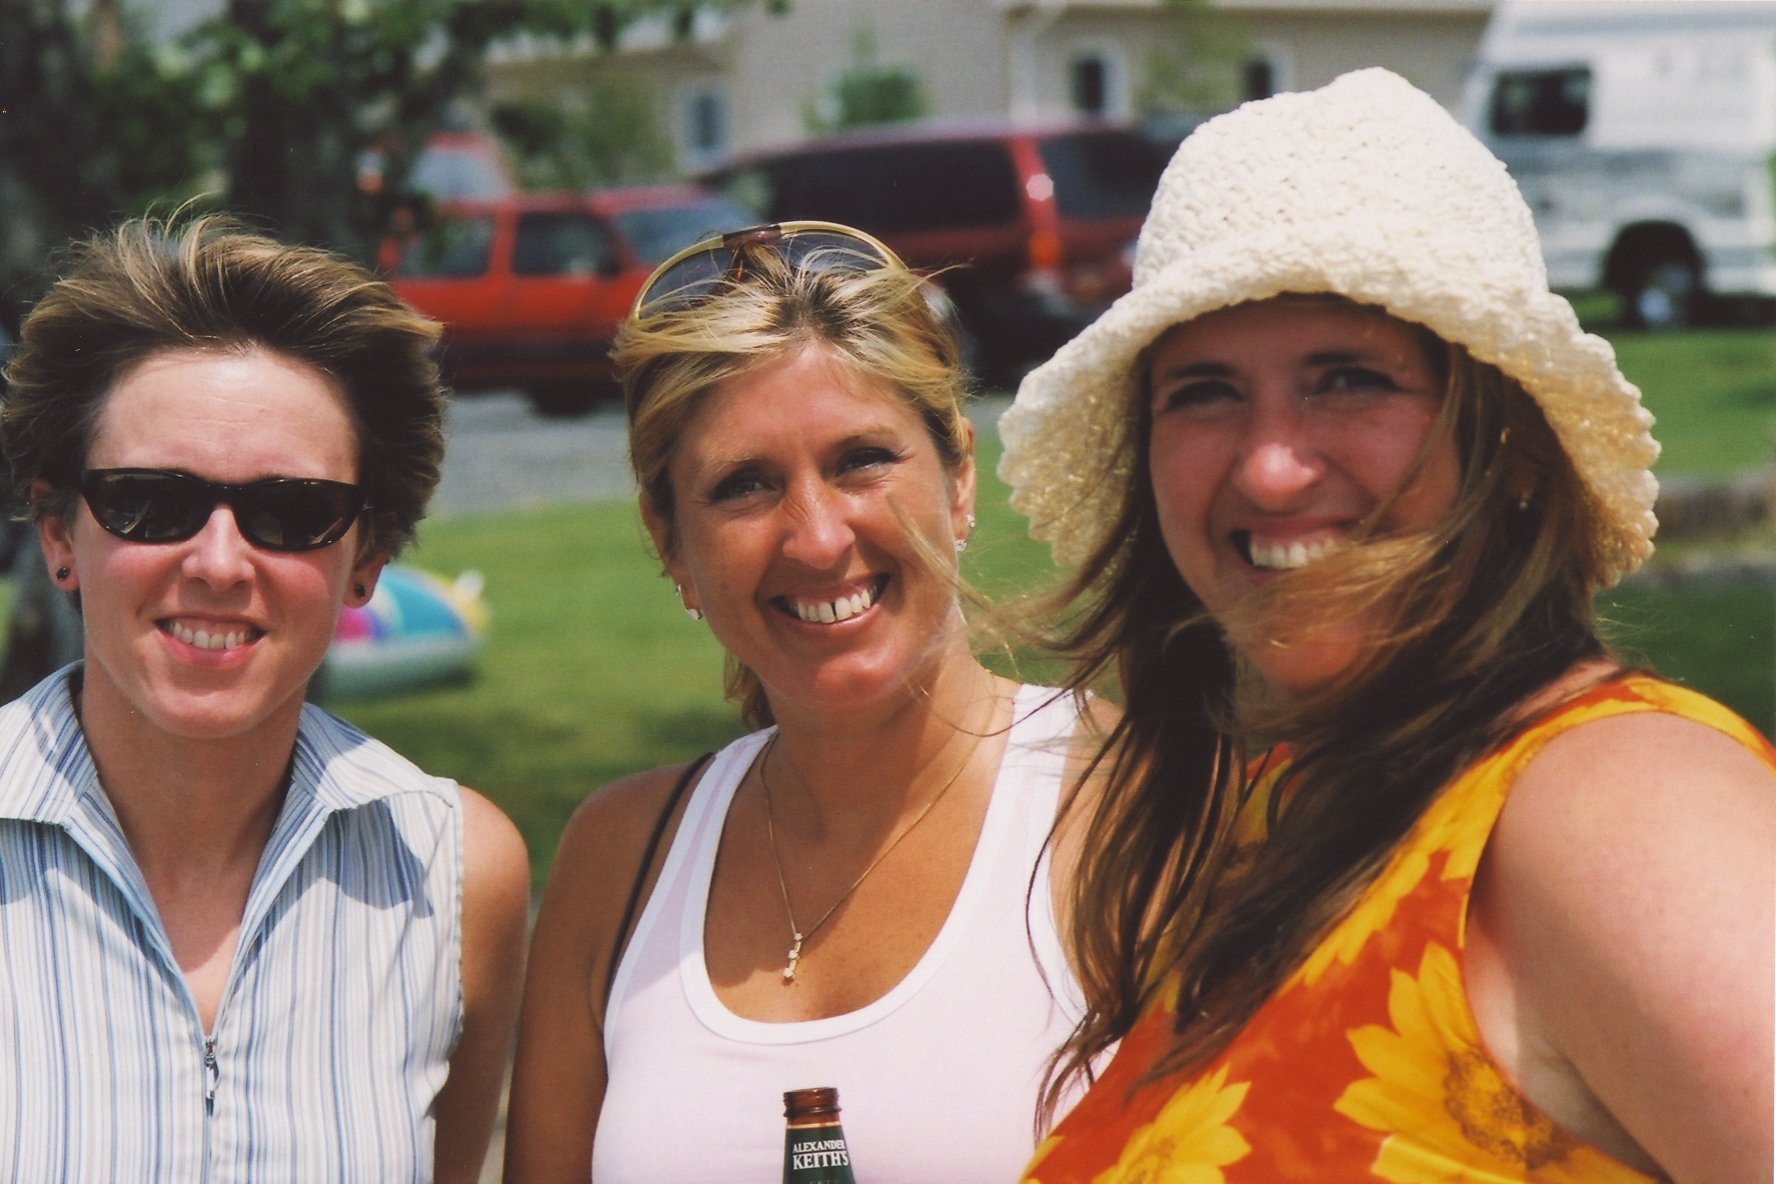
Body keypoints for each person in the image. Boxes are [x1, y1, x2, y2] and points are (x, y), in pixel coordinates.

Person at [997, 70, 1773, 1184]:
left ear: (1509, 446)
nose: (1270, 467)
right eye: (1204, 392)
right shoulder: (1289, 809)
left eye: (1348, 379)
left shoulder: (1618, 804)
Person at [505, 223, 1095, 1182]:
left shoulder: (1130, 804)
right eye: (744, 485)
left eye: (861, 460)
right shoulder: (618, 861)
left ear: (958, 477)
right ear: (669, 541)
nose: (817, 539)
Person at [0, 216, 530, 1183]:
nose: (218, 562)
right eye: (150, 501)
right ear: (58, 533)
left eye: (291, 511)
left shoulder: (454, 874)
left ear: (367, 556)